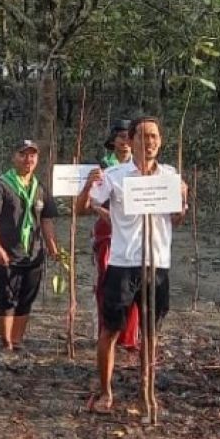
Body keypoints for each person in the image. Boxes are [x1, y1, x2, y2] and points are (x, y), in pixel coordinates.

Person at [76, 117, 187, 413]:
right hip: (123, 264)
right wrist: (88, 187)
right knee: (110, 330)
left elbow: (176, 219)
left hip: (158, 263)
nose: (149, 142)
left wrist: (184, 200)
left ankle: (146, 391)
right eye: (143, 136)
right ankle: (105, 392)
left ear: (160, 141)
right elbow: (82, 209)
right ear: (131, 141)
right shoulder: (115, 175)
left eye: (154, 136)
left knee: (150, 333)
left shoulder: (170, 176)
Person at [0, 139, 61, 351]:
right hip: (8, 252)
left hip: (34, 252)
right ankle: (6, 342)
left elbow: (46, 220)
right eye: (23, 154)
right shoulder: (1, 185)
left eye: (32, 155)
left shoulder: (40, 187)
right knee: (7, 296)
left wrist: (53, 247)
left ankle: (17, 340)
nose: (28, 159)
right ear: (14, 157)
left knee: (27, 296)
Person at [92, 120, 140, 352]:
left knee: (136, 283)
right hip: (108, 231)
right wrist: (103, 213)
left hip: (134, 233)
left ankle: (129, 337)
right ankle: (107, 331)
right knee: (107, 282)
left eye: (128, 137)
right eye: (120, 137)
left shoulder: (141, 167)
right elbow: (92, 201)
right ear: (113, 141)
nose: (124, 142)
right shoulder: (103, 167)